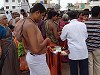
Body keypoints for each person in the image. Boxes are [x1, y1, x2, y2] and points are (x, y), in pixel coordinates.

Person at [17, 3, 51, 75]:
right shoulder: (30, 25)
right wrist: (46, 41)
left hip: (33, 57)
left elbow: (24, 42)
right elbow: (36, 49)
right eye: (42, 15)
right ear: (37, 12)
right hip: (37, 59)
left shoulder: (26, 22)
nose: (42, 18)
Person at [60, 10, 88, 75]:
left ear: (69, 17)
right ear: (77, 16)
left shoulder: (66, 27)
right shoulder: (83, 25)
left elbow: (62, 38)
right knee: (84, 71)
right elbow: (86, 36)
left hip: (73, 52)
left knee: (74, 71)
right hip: (83, 50)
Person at [85, 6, 100, 75]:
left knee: (90, 64)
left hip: (87, 47)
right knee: (98, 64)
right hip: (97, 47)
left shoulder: (85, 23)